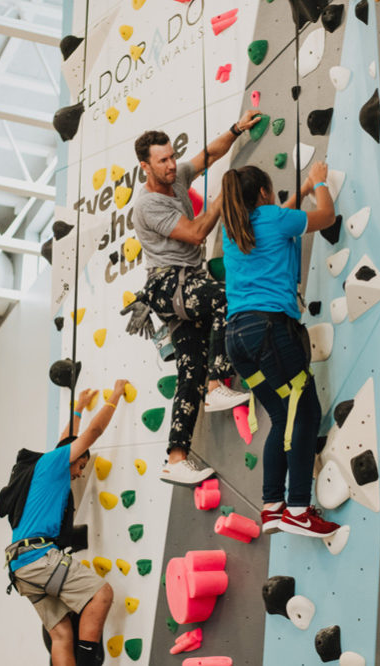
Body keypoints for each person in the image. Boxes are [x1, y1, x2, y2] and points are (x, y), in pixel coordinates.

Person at [131, 111, 261, 487]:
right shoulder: (148, 206)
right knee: (227, 297)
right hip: (169, 286)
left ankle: (176, 458)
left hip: (184, 285)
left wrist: (236, 129)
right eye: (163, 161)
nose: (172, 165)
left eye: (172, 157)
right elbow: (197, 232)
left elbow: (208, 156)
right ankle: (217, 383)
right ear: (145, 166)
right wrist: (225, 194)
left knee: (189, 372)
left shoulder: (175, 179)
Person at [219, 161, 341, 538]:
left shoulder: (233, 230)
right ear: (263, 193)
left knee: (279, 413)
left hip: (237, 337)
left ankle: (273, 507)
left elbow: (278, 222)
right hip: (270, 328)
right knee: (305, 411)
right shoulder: (273, 218)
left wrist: (300, 192)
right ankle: (300, 510)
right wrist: (320, 180)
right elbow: (326, 217)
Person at [3, 381, 128, 666]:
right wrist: (115, 396)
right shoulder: (54, 465)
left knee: (61, 635)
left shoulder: (43, 469)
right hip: (38, 558)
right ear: (70, 459)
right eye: (81, 466)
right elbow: (89, 436)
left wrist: (79, 408)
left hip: (19, 566)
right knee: (101, 594)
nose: (79, 473)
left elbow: (65, 441)